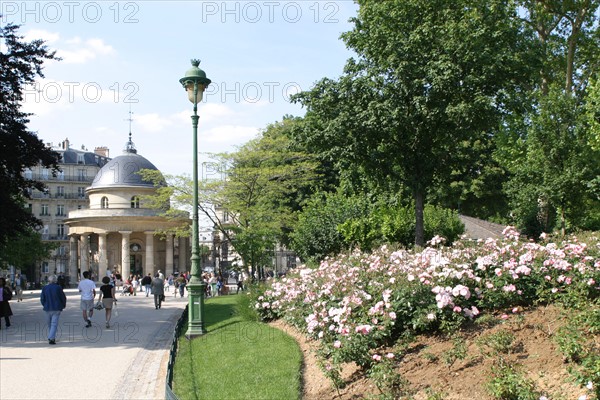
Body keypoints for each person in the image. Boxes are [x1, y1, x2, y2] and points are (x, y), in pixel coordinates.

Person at [40, 275, 66, 345]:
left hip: (47, 308)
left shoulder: (45, 288)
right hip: (57, 308)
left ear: (49, 280)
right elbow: (63, 297)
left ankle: (51, 337)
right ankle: (52, 337)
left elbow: (42, 298)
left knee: (50, 324)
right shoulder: (58, 288)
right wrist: (63, 305)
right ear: (55, 280)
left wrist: (44, 305)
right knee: (53, 324)